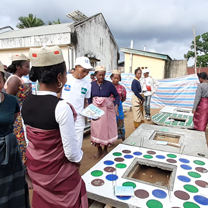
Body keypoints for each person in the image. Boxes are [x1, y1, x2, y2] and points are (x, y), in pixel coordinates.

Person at [21, 46, 88, 208]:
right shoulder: (62, 107)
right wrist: (80, 156)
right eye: (65, 73)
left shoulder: (26, 103)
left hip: (38, 173)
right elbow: (72, 154)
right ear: (59, 77)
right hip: (60, 179)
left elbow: (29, 142)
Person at [0, 61, 30, 208]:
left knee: (14, 186)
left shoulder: (11, 101)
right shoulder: (14, 82)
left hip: (10, 147)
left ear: (3, 80)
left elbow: (11, 119)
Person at [4, 53, 32, 187]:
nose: (28, 68)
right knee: (22, 146)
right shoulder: (14, 80)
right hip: (18, 117)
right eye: (26, 66)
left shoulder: (20, 79)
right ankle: (25, 176)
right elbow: (9, 101)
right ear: (18, 67)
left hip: (23, 114)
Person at [89, 66, 120, 158]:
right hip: (95, 111)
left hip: (107, 110)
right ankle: (99, 150)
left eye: (103, 75)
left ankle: (105, 149)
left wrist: (116, 105)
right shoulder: (91, 85)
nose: (101, 77)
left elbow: (117, 96)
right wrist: (90, 109)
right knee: (96, 130)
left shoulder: (109, 85)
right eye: (99, 75)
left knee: (106, 130)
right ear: (96, 75)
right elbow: (89, 98)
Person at [61, 57, 92, 149]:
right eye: (84, 71)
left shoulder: (87, 84)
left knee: (78, 144)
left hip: (79, 118)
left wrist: (92, 114)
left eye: (88, 71)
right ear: (76, 67)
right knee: (64, 142)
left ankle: (76, 161)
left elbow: (85, 103)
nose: (86, 74)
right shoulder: (65, 79)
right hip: (65, 116)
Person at [110, 70, 127, 141]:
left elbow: (124, 97)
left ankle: (122, 137)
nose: (116, 80)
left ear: (119, 79)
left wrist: (118, 103)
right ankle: (112, 139)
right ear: (111, 78)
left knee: (120, 121)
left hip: (119, 106)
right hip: (110, 106)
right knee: (111, 123)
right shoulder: (108, 86)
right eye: (114, 78)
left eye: (117, 78)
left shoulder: (122, 88)